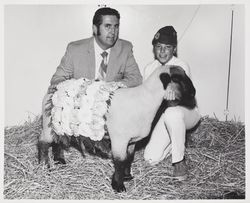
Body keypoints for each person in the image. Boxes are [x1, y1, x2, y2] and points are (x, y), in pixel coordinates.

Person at [40, 7, 142, 163]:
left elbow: (136, 79)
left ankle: (124, 161)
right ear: (95, 28)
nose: (113, 32)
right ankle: (57, 148)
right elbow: (57, 79)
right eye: (108, 26)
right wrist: (79, 90)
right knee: (52, 99)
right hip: (81, 107)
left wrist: (108, 89)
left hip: (109, 106)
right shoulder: (75, 49)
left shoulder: (125, 48)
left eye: (116, 26)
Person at [143, 26, 201, 180]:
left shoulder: (180, 65)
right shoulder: (150, 68)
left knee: (172, 113)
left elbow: (186, 98)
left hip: (185, 112)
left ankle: (179, 162)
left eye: (167, 47)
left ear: (174, 49)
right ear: (154, 48)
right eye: (158, 47)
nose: (162, 51)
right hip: (165, 115)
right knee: (150, 159)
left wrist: (173, 95)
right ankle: (176, 141)